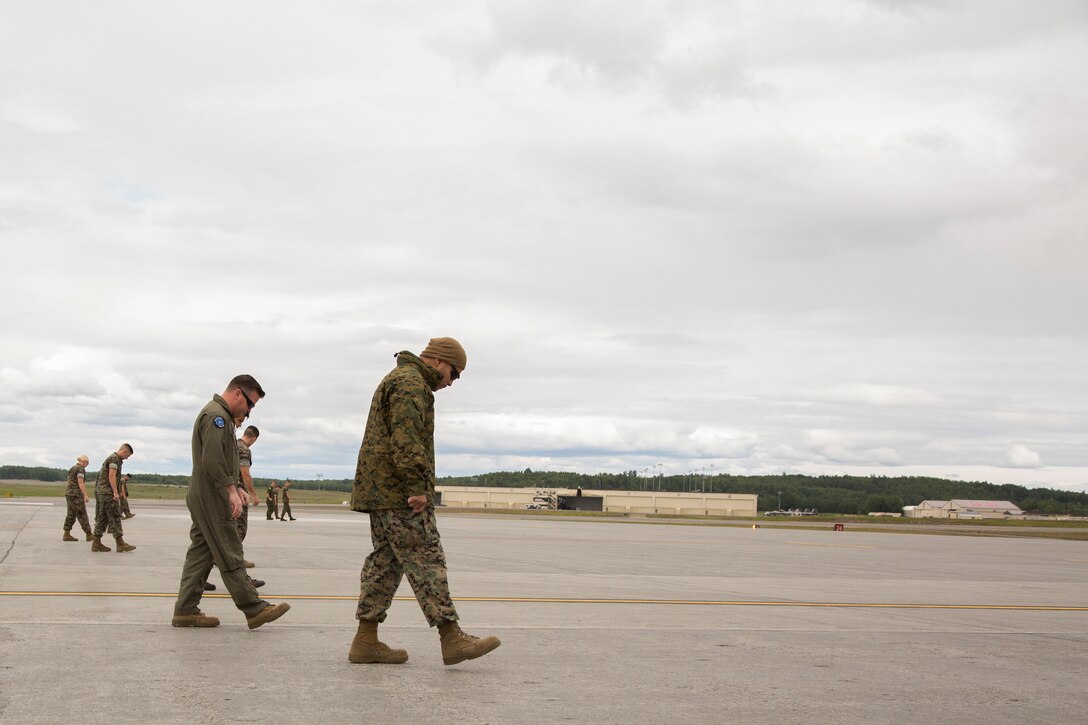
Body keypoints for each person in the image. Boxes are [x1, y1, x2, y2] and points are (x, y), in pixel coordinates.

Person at [349, 337, 500, 666]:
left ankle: (366, 639)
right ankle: (451, 637)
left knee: (385, 563)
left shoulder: (401, 379)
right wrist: (417, 486)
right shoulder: (411, 383)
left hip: (382, 491)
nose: (451, 382)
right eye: (454, 374)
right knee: (426, 558)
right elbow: (407, 437)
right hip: (400, 492)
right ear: (438, 362)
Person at [171, 374, 289, 629]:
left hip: (206, 491)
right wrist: (230, 491)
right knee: (229, 548)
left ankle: (185, 610)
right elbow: (212, 460)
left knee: (201, 552)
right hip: (212, 494)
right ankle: (254, 609)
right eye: (250, 404)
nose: (248, 412)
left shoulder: (218, 415)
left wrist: (235, 485)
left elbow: (220, 460)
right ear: (237, 393)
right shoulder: (218, 417)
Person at [91, 444, 136, 553]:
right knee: (115, 516)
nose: (127, 458)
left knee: (103, 518)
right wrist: (115, 492)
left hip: (103, 492)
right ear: (124, 451)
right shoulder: (114, 459)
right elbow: (112, 475)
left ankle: (96, 543)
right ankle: (120, 544)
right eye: (127, 455)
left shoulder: (114, 459)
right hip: (108, 493)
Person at [62, 455, 93, 541]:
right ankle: (89, 534)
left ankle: (66, 533)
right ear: (85, 462)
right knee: (82, 514)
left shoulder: (72, 468)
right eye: (87, 463)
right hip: (76, 495)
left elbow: (68, 481)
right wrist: (85, 495)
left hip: (69, 493)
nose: (87, 464)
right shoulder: (80, 469)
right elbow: (81, 482)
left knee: (71, 514)